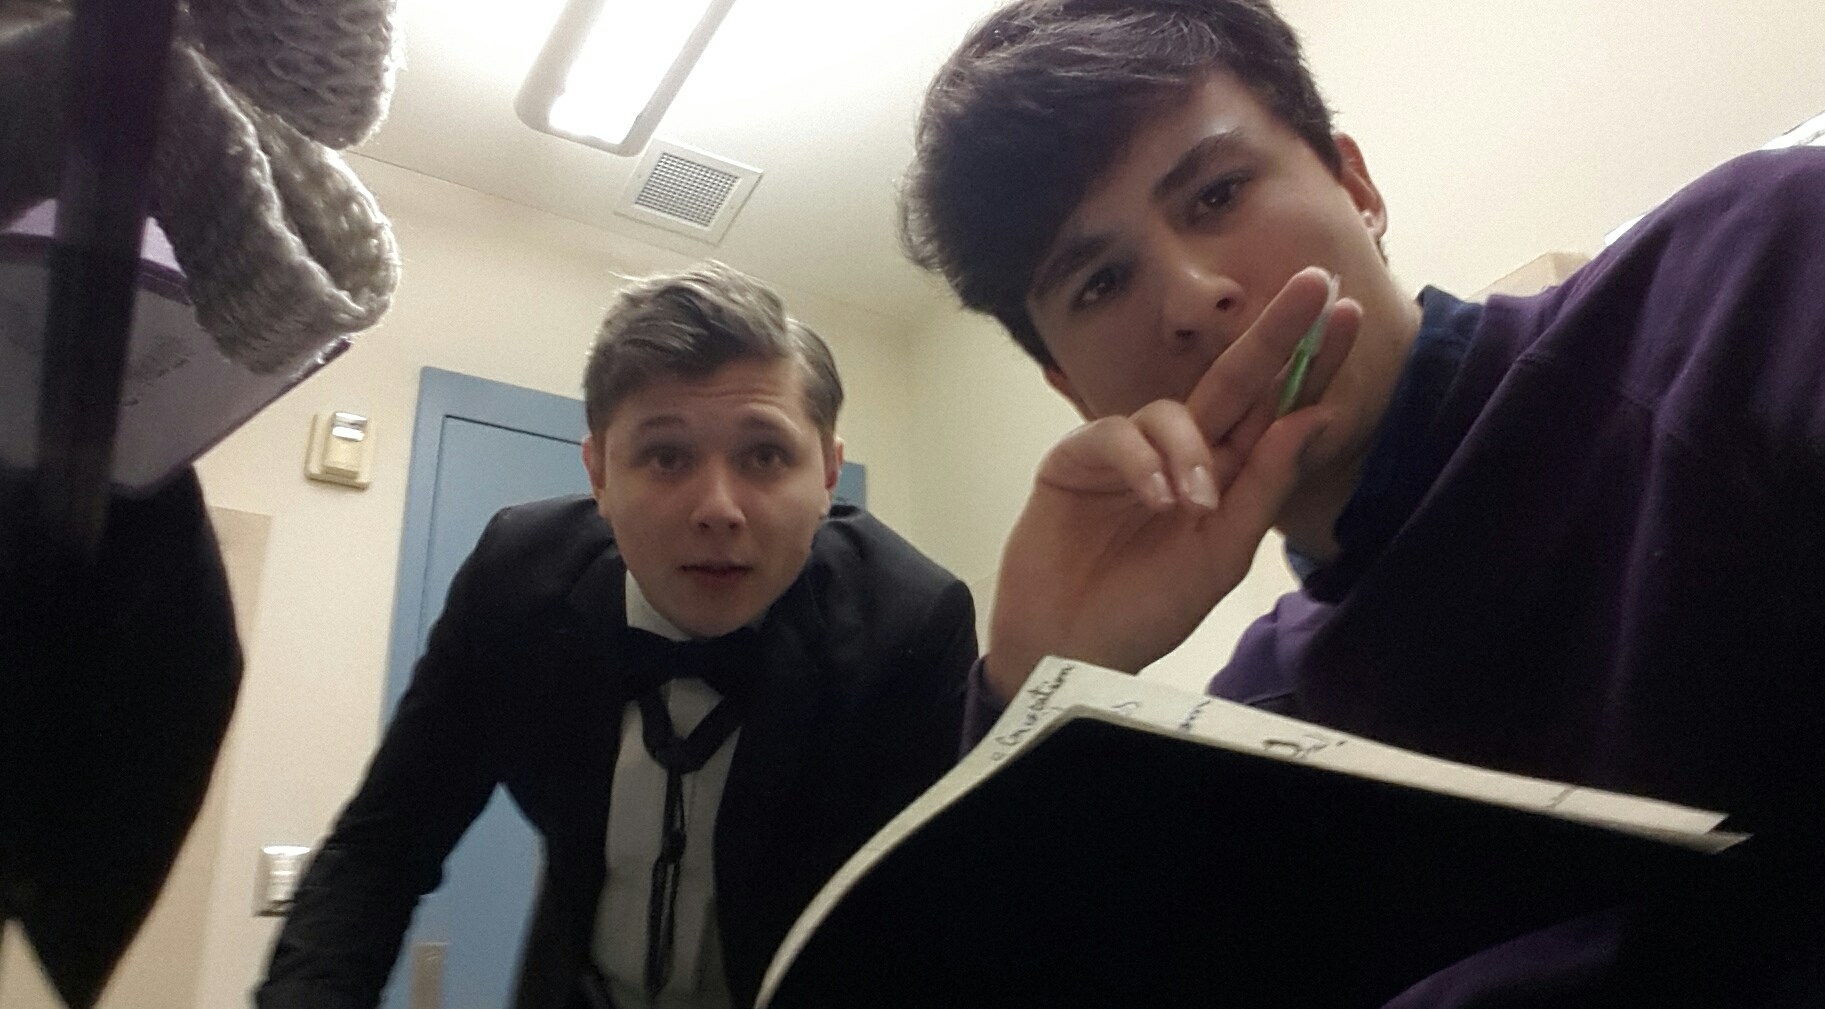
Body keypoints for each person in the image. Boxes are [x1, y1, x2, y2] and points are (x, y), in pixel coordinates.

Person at [900, 0, 1825, 1003]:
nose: (1192, 296)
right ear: (1071, 391)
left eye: (1217, 193)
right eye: (1100, 282)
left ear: (1356, 186)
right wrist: (1039, 698)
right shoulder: (1255, 731)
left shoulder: (1749, 274)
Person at [256, 263, 976, 1009]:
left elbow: (933, 925)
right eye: (667, 456)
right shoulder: (517, 582)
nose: (718, 508)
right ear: (598, 472)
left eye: (764, 455)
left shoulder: (911, 624)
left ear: (827, 475)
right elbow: (383, 845)